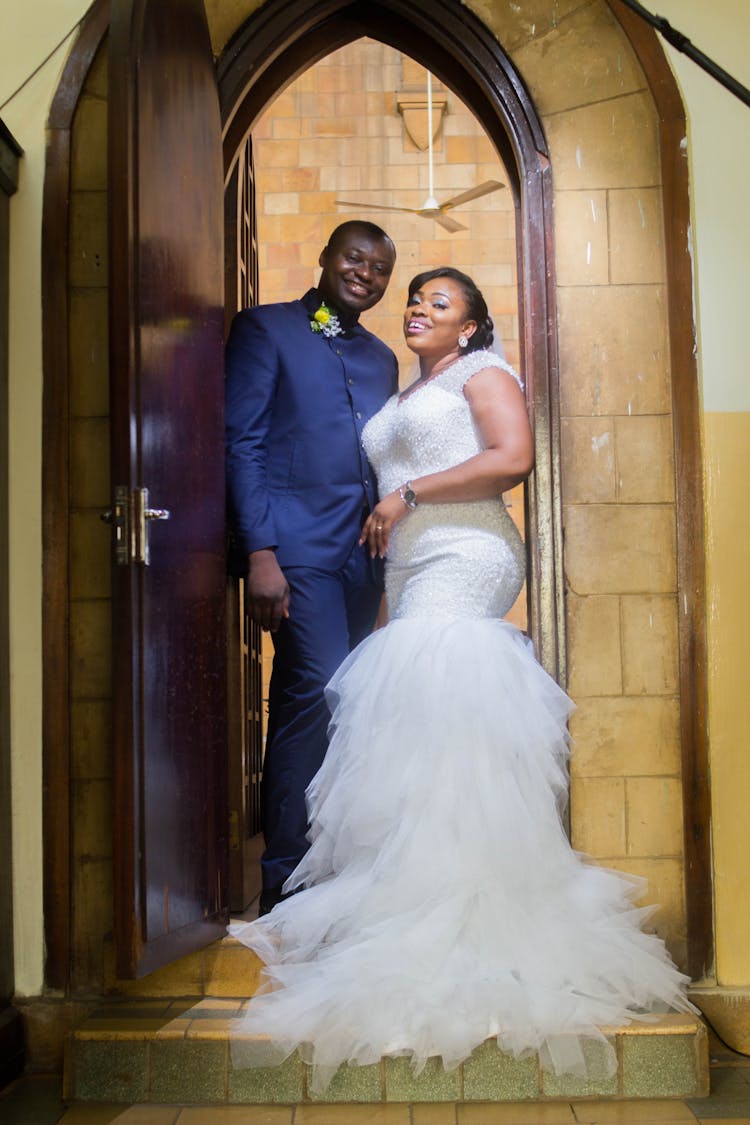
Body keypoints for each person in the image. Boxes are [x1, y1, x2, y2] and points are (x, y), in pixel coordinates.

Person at [230, 267, 693, 1090]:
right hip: (406, 568)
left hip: (465, 554)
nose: (418, 309)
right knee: (415, 735)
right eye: (415, 299)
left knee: (447, 720)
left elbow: (511, 458)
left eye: (440, 303)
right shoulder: (409, 389)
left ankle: (465, 921)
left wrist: (410, 491)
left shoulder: (485, 373)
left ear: (473, 327)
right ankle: (412, 900)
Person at [225, 221, 398, 915]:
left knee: (351, 706)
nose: (365, 273)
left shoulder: (382, 358)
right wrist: (259, 552)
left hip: (363, 560)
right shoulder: (266, 330)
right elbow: (243, 442)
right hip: (296, 552)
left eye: (380, 267)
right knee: (313, 694)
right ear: (326, 259)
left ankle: (337, 869)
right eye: (354, 258)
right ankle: (286, 883)